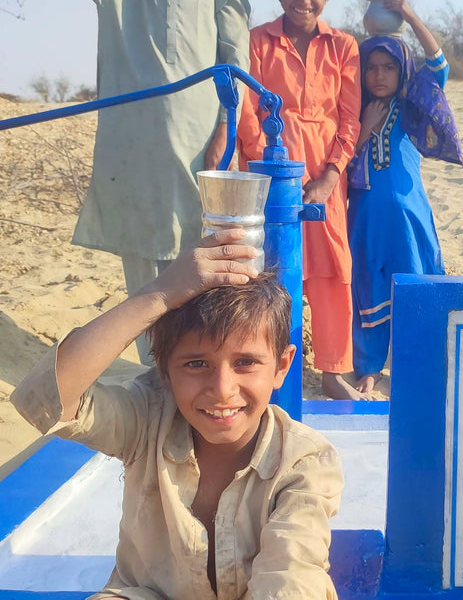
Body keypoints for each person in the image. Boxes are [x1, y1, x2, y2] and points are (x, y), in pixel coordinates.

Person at [11, 230, 343, 599]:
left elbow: (290, 578)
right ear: (165, 372)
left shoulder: (303, 460)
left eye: (246, 362)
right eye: (197, 363)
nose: (222, 388)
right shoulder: (146, 419)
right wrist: (160, 293)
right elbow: (44, 399)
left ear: (282, 366)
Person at [52, 0, 250, 363]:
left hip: (199, 164)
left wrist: (224, 135)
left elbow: (237, 73)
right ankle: (155, 400)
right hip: (135, 163)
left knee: (205, 292)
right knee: (146, 297)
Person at [236, 0, 360, 400]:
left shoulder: (343, 46)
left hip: (327, 178)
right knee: (274, 269)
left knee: (332, 270)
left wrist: (329, 176)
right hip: (271, 169)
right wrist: (265, 163)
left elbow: (349, 117)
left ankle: (332, 369)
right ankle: (272, 366)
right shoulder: (257, 41)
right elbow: (249, 107)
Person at [348, 0, 462, 395]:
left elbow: (439, 64)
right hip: (365, 217)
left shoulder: (414, 105)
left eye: (389, 67)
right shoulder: (350, 111)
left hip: (409, 217)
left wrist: (410, 15)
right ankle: (368, 367)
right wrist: (362, 129)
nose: (379, 76)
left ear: (402, 70)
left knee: (415, 284)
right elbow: (337, 159)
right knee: (368, 285)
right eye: (371, 68)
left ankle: (416, 362)